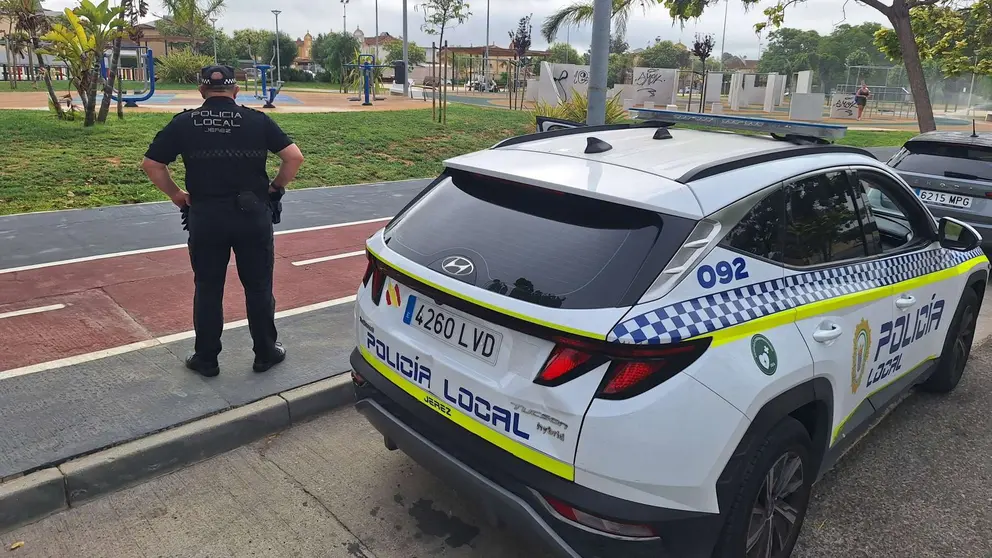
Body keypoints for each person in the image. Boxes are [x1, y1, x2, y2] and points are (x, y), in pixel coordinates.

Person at [141, 65, 305, 377]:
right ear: (235, 91)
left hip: (206, 217)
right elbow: (293, 157)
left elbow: (152, 164)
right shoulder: (256, 120)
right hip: (252, 216)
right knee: (258, 287)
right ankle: (265, 353)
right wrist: (274, 187)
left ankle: (206, 358)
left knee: (207, 287)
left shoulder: (184, 123)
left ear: (201, 91)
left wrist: (177, 195)